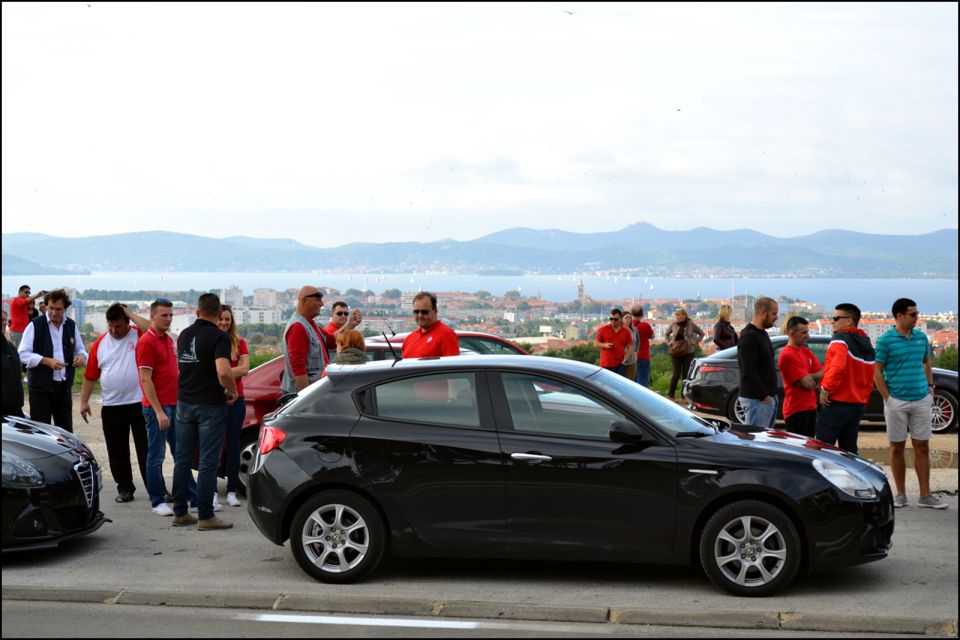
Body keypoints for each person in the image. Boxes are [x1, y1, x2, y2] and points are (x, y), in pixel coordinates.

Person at [171, 293, 238, 530]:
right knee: (208, 462)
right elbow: (223, 371)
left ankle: (180, 512)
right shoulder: (219, 337)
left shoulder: (184, 335)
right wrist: (232, 391)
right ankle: (206, 516)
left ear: (197, 312)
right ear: (219, 313)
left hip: (184, 402)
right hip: (210, 404)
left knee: (182, 459)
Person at [875, 298, 947, 510]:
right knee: (897, 447)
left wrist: (930, 387)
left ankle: (925, 495)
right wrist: (888, 398)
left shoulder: (921, 338)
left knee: (922, 446)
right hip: (896, 400)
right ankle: (901, 494)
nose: (917, 317)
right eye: (913, 314)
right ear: (899, 316)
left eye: (917, 313)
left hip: (921, 399)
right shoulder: (885, 341)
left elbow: (927, 362)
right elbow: (877, 371)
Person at [80, 304, 151, 503]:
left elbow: (151, 328)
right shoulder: (100, 344)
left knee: (147, 449)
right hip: (112, 405)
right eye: (110, 326)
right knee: (117, 450)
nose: (114, 330)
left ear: (127, 322)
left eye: (118, 326)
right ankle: (125, 488)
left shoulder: (139, 334)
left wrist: (128, 312)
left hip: (140, 403)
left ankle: (155, 487)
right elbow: (90, 376)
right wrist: (84, 402)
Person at [137, 298, 197, 516]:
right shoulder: (147, 342)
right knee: (156, 455)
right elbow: (146, 379)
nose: (168, 319)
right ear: (152, 316)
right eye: (164, 315)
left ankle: (193, 496)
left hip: (175, 404)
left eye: (170, 315)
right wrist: (159, 410)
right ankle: (157, 500)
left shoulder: (167, 340)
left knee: (181, 454)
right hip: (158, 409)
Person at [18, 289, 86, 432]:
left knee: (66, 431)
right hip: (40, 388)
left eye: (59, 309)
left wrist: (81, 357)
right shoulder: (35, 325)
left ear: (65, 308)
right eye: (51, 308)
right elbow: (22, 354)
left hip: (63, 388)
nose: (54, 313)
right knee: (41, 432)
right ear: (46, 306)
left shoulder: (71, 325)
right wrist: (45, 361)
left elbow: (80, 350)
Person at [817, 303, 875, 454]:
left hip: (836, 403)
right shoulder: (866, 344)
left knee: (823, 449)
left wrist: (825, 389)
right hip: (857, 405)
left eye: (836, 318)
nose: (832, 321)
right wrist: (863, 397)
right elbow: (870, 376)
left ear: (849, 320)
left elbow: (837, 368)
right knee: (848, 450)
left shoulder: (840, 340)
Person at [217, 304, 249, 508]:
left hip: (237, 400)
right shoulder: (210, 341)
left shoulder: (240, 342)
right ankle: (211, 491)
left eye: (227, 319)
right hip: (215, 400)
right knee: (213, 446)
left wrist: (224, 372)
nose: (224, 322)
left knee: (234, 445)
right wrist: (230, 370)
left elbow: (245, 369)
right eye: (220, 318)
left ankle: (231, 491)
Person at [282, 287, 335, 394]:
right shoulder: (298, 327)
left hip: (315, 391)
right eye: (318, 299)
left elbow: (331, 342)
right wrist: (308, 399)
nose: (322, 304)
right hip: (303, 395)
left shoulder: (313, 324)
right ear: (304, 301)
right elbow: (298, 367)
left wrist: (349, 325)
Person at [737, 297, 780, 429]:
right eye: (774, 313)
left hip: (766, 399)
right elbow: (748, 371)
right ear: (763, 313)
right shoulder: (749, 337)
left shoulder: (762, 334)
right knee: (755, 443)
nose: (777, 317)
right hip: (756, 400)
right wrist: (764, 396)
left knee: (763, 441)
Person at [777, 315, 823, 437]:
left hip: (811, 407)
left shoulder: (806, 351)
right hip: (796, 411)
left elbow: (822, 373)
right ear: (792, 333)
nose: (807, 335)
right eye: (804, 332)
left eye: (807, 332)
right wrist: (811, 380)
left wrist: (808, 378)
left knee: (810, 448)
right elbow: (809, 384)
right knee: (799, 450)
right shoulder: (787, 355)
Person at [402, 292, 459, 358]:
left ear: (435, 312)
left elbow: (453, 366)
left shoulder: (447, 335)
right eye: (416, 312)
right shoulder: (409, 339)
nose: (420, 316)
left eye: (424, 312)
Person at [665, 308, 704, 401]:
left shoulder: (691, 324)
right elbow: (666, 334)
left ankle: (684, 396)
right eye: (677, 316)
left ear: (685, 316)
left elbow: (701, 334)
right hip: (676, 351)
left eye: (680, 316)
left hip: (688, 351)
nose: (678, 318)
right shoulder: (673, 325)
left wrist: (695, 342)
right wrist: (669, 342)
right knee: (676, 374)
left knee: (686, 374)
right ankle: (671, 395)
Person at [595, 308, 633, 376]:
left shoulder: (626, 332)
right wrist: (605, 345)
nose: (613, 321)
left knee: (618, 386)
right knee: (604, 385)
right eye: (611, 319)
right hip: (605, 364)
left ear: (620, 319)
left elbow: (630, 347)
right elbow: (595, 344)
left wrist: (625, 360)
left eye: (615, 319)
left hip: (620, 365)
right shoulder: (603, 329)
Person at [2, 310, 25, 417]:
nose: (4, 323)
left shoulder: (9, 345)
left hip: (15, 408)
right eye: (1, 320)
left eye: (5, 320)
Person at [629, 305, 655, 388]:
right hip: (643, 356)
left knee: (632, 380)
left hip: (630, 356)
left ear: (631, 314)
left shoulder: (627, 326)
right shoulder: (645, 325)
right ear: (642, 315)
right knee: (642, 379)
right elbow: (652, 336)